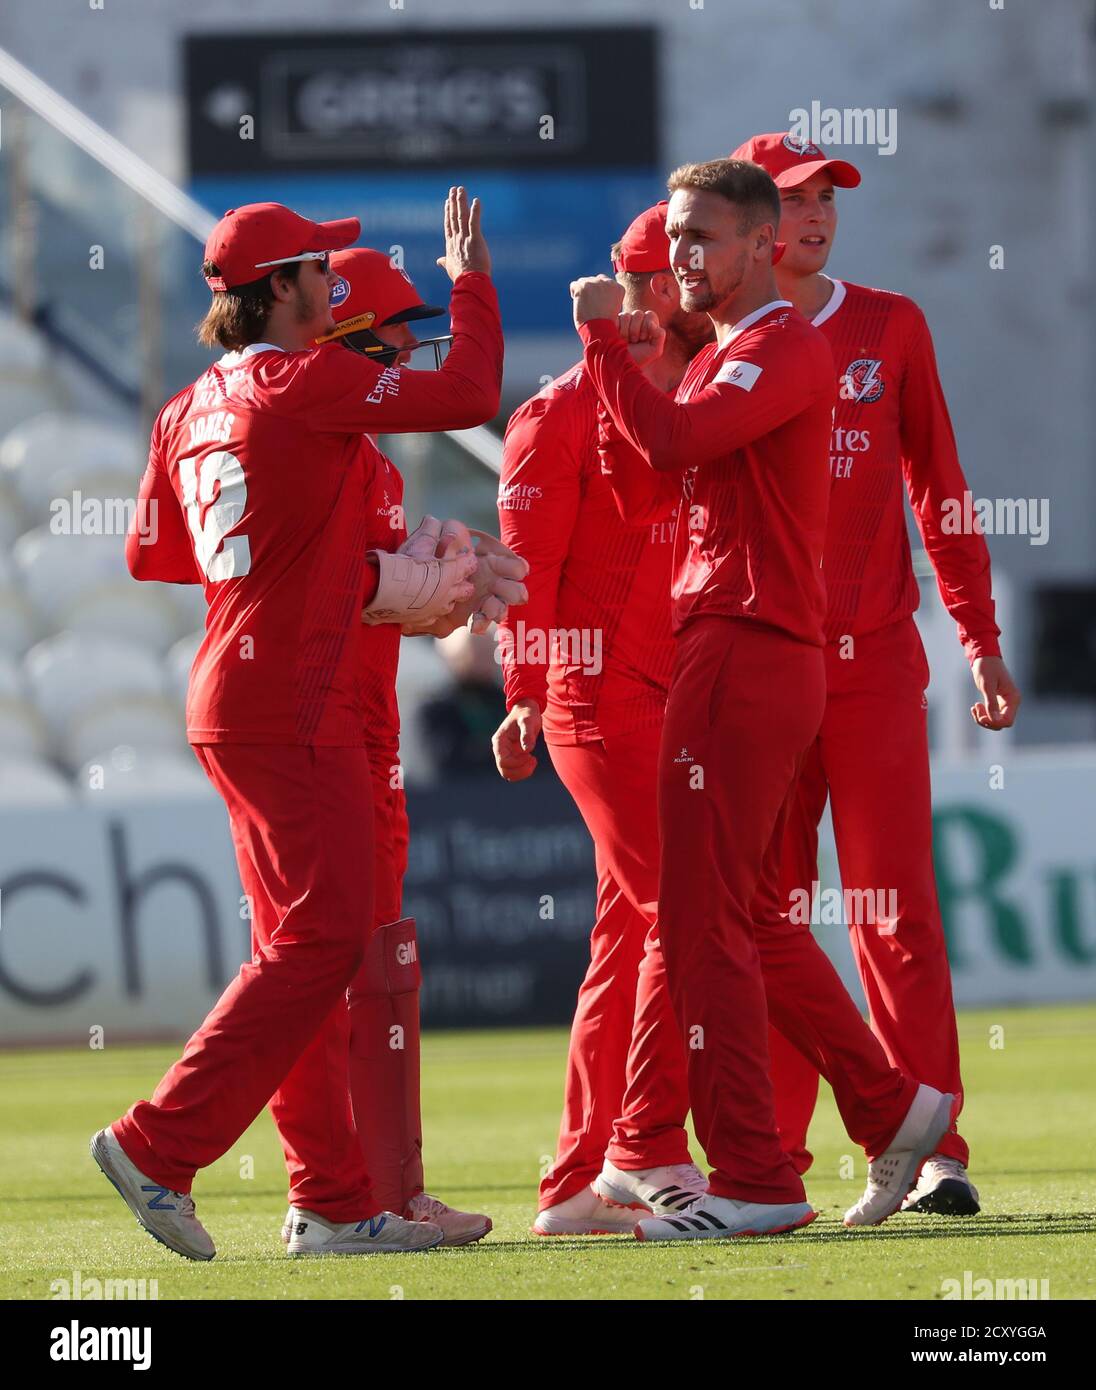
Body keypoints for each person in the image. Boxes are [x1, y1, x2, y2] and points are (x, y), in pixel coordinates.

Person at [94, 189, 505, 1259]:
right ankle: (157, 1144)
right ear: (280, 289)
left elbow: (151, 555)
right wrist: (471, 277)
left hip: (230, 692)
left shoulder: (188, 406)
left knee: (306, 946)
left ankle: (330, 1199)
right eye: (320, 270)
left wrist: (303, 559)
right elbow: (470, 389)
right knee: (324, 938)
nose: (334, 283)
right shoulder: (307, 378)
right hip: (294, 702)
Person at [570, 158, 953, 1241]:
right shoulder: (731, 351)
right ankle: (879, 1107)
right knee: (727, 913)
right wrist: (634, 356)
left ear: (758, 248)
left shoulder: (782, 342)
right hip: (736, 641)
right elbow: (652, 468)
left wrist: (606, 345)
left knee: (702, 919)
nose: (681, 255)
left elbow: (677, 446)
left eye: (701, 236)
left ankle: (757, 1172)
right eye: (675, 236)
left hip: (746, 643)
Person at [730, 131, 1021, 1215]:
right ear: (752, 222)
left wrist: (979, 636)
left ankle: (936, 1144)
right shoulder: (714, 337)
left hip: (871, 667)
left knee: (893, 909)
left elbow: (940, 488)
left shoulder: (889, 323)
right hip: (761, 669)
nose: (815, 216)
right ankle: (773, 1164)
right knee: (769, 911)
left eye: (827, 199)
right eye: (795, 199)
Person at [288, 246, 525, 1245]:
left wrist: (435, 593)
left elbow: (381, 606)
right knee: (313, 968)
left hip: (367, 733)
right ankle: (327, 1198)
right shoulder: (303, 443)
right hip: (310, 733)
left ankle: (389, 1192)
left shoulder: (370, 461)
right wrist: (390, 583)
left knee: (380, 963)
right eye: (397, 338)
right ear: (347, 339)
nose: (410, 355)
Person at [491, 202, 715, 1236]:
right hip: (598, 701)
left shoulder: (699, 398)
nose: (656, 299)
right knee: (681, 910)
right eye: (646, 280)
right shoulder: (554, 414)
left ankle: (575, 1183)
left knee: (629, 937)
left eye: (665, 278)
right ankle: (644, 1150)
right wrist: (523, 693)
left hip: (671, 698)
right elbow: (525, 575)